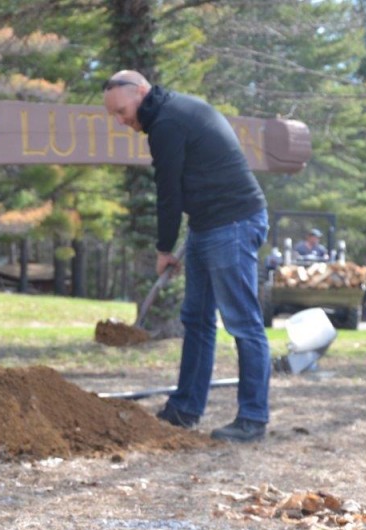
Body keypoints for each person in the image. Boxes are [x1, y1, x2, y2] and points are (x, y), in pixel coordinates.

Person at [103, 70, 270, 443]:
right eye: (113, 114)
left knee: (243, 322)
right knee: (196, 319)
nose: (121, 119)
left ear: (141, 91)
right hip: (207, 224)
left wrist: (164, 248)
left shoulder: (167, 123)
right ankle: (185, 408)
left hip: (234, 222)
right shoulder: (171, 113)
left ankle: (253, 419)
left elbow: (169, 191)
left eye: (122, 110)